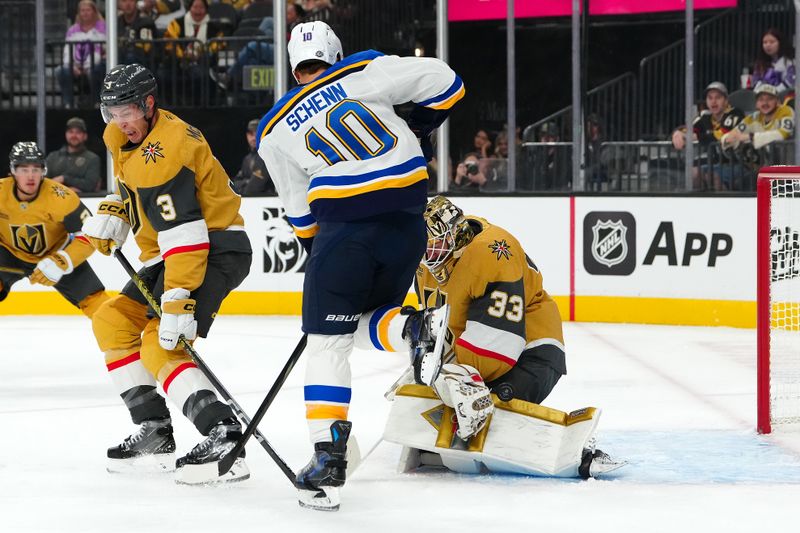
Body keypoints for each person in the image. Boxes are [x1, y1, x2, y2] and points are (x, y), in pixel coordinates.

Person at [256, 20, 464, 510]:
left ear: (293, 65)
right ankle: (414, 327)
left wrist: (322, 256)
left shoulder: (274, 128)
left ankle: (328, 458)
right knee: (374, 315)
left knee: (328, 342)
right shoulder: (366, 70)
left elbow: (298, 209)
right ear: (335, 52)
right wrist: (415, 126)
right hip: (408, 221)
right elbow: (448, 82)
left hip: (345, 229)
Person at [80, 63, 253, 484]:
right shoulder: (125, 137)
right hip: (170, 252)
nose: (119, 122)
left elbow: (187, 234)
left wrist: (178, 298)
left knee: (162, 342)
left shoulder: (169, 149)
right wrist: (116, 210)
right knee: (112, 320)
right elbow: (131, 188)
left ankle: (222, 431)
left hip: (214, 249)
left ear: (148, 104)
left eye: (127, 111)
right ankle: (155, 428)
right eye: (112, 111)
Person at [373, 196, 625, 479]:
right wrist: (429, 372)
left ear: (454, 234)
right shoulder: (427, 264)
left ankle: (578, 454)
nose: (424, 251)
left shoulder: (491, 252)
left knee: (486, 412)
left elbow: (499, 347)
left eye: (431, 241)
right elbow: (440, 327)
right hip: (482, 351)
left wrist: (454, 379)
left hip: (531, 350)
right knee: (449, 403)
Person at [1, 142, 108, 319]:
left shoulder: (61, 197)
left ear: (43, 171)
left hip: (56, 252)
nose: (30, 176)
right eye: (23, 169)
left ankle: (130, 343)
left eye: (36, 169)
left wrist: (63, 260)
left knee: (101, 307)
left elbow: (91, 234)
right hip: (9, 253)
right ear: (13, 170)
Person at [670, 82, 745, 190]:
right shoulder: (705, 117)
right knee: (693, 173)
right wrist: (677, 134)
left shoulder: (736, 114)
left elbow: (722, 134)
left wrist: (693, 137)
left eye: (718, 97)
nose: (713, 102)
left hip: (739, 163)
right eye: (710, 98)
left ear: (726, 100)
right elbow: (688, 130)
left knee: (712, 176)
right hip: (717, 164)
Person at [720, 82, 795, 189]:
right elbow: (733, 134)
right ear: (756, 104)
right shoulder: (754, 117)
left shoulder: (786, 111)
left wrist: (750, 137)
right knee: (738, 183)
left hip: (788, 171)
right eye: (761, 100)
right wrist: (727, 139)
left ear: (777, 101)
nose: (765, 103)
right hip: (765, 169)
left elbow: (782, 134)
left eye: (769, 99)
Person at [58, 0, 107, 109]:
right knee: (61, 70)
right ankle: (68, 104)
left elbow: (106, 48)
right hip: (76, 64)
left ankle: (97, 102)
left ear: (94, 12)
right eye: (82, 10)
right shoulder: (72, 30)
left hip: (96, 63)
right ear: (79, 13)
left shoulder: (103, 27)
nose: (85, 13)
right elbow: (67, 51)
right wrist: (73, 66)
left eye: (88, 10)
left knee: (98, 70)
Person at [45, 117, 102, 194]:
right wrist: (67, 190)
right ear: (66, 134)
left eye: (78, 132)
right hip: (53, 201)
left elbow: (90, 185)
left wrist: (64, 179)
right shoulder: (53, 157)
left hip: (82, 202)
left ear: (85, 136)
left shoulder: (92, 158)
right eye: (71, 132)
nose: (74, 135)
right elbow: (43, 182)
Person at [233, 119, 275, 196]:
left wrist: (244, 183)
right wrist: (247, 182)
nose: (253, 138)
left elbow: (253, 188)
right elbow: (234, 184)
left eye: (256, 134)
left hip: (269, 202)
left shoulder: (266, 155)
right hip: (251, 203)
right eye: (251, 134)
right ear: (247, 135)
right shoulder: (247, 159)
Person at [751, 28, 796, 98]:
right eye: (765, 42)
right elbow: (756, 81)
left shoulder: (790, 62)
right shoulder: (760, 64)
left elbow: (790, 82)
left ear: (780, 43)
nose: (768, 45)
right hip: (763, 98)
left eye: (772, 42)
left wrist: (774, 93)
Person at [118, 0, 157, 66]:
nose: (128, 4)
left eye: (131, 1)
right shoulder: (116, 22)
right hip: (121, 58)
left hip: (143, 62)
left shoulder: (146, 22)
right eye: (124, 1)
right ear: (119, 4)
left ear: (136, 2)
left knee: (130, 58)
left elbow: (146, 49)